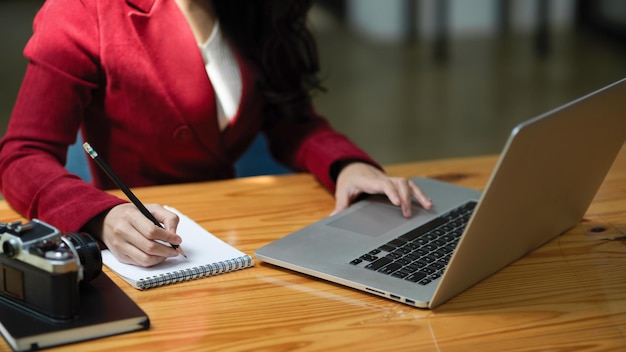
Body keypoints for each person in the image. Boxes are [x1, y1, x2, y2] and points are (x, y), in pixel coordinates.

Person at [0, 0, 431, 267]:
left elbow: (292, 121)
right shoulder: (83, 9)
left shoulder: (255, 9)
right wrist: (100, 216)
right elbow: (22, 154)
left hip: (232, 235)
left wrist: (347, 165)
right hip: (143, 248)